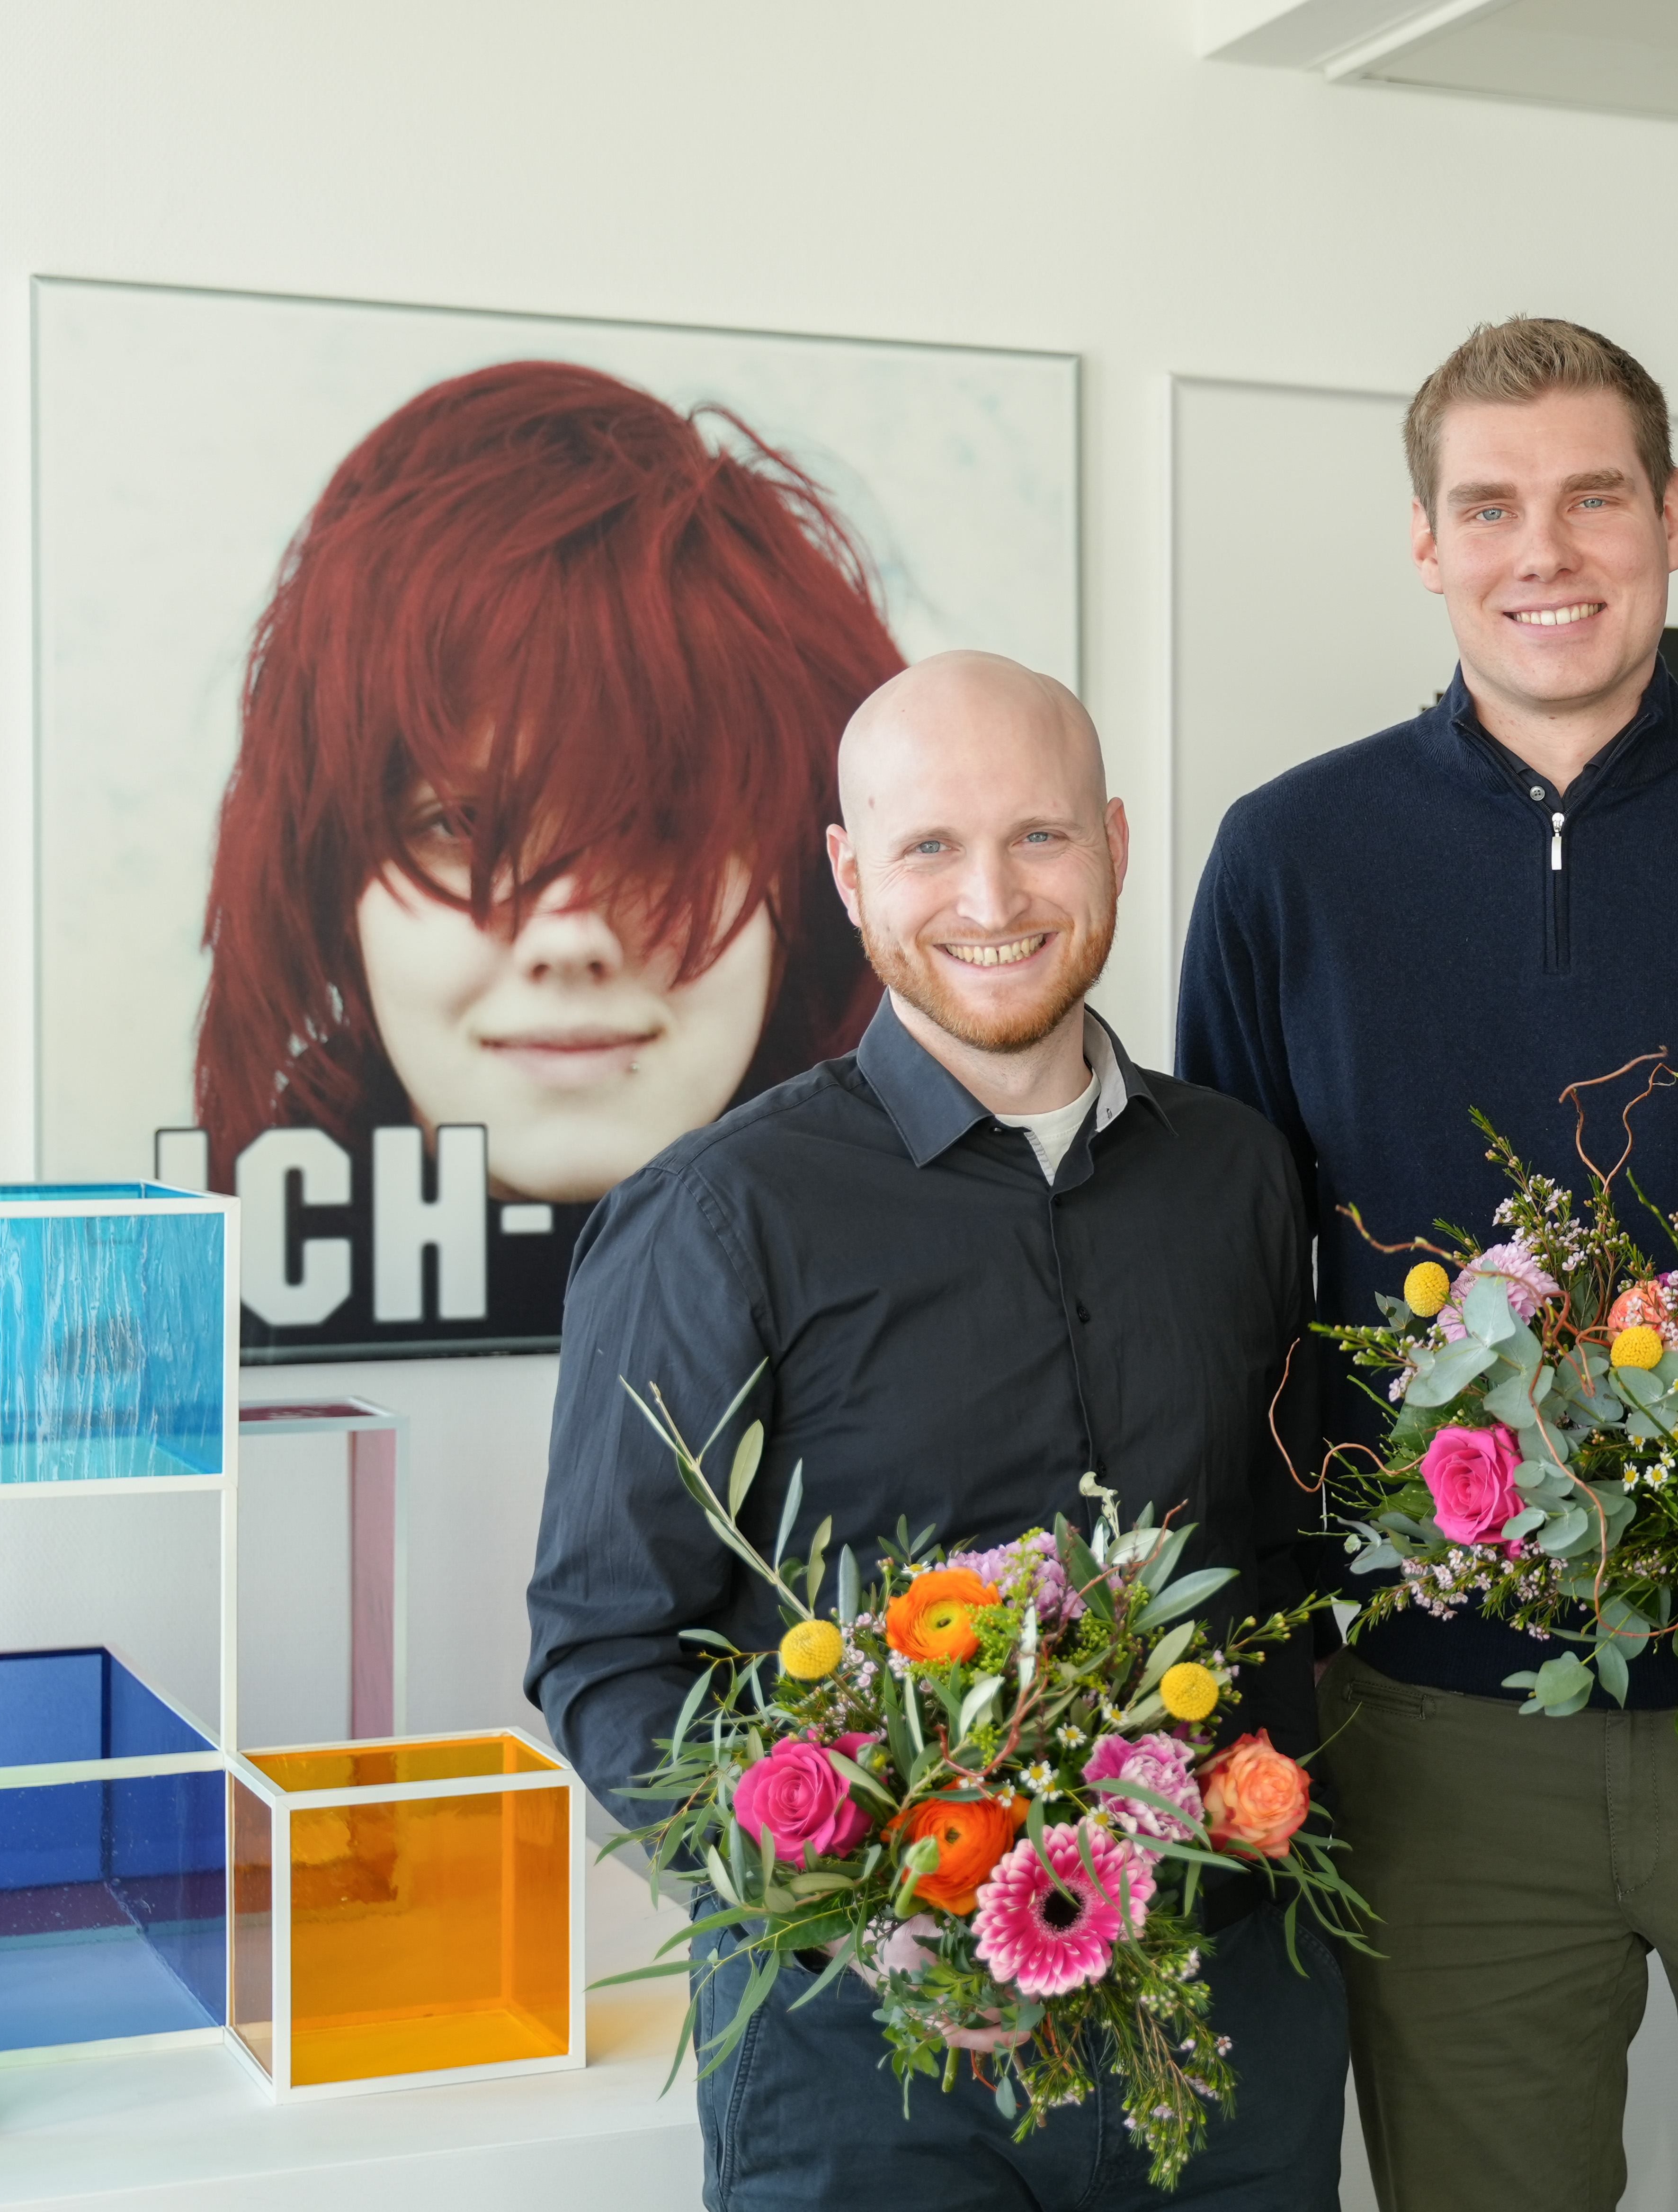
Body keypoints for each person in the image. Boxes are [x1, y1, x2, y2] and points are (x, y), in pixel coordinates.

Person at [1176, 317, 1678, 2212]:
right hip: (1438, 1727)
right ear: (1427, 543)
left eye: (1593, 495)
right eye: (1491, 505)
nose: (1545, 549)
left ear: (1675, 518)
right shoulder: (1287, 858)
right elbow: (1221, 1298)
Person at [527, 652, 1344, 2210]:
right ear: (848, 873)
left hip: (1230, 2015)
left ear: (1110, 840)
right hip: (872, 2054)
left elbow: (1288, 1548)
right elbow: (601, 1643)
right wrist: (849, 1904)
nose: (992, 893)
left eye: (1038, 836)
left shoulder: (1241, 1172)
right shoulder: (720, 1214)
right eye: (927, 848)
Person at [197, 360, 896, 1217]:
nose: (571, 939)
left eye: (664, 828)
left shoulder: (968, 1316)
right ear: (330, 889)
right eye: (460, 825)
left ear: (812, 875)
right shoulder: (186, 1333)